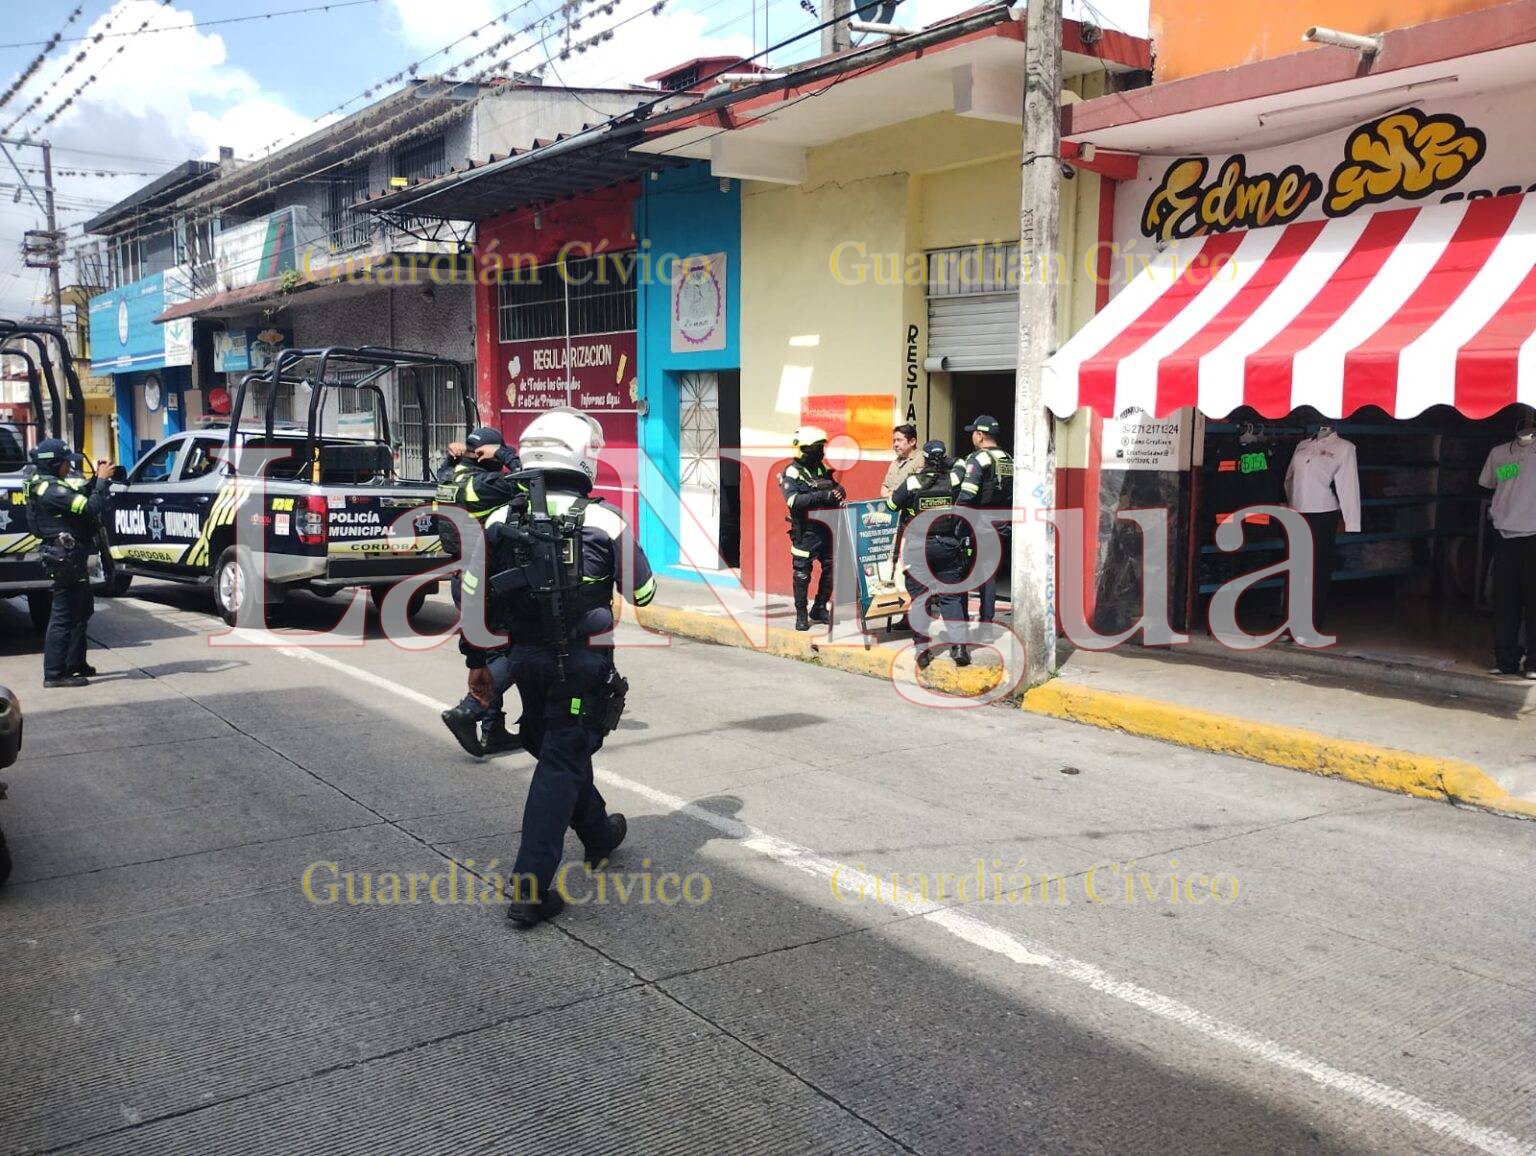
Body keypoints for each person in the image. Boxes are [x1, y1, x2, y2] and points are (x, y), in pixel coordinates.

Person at [475, 407, 656, 927]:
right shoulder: (604, 519)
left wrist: (477, 663)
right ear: (583, 460)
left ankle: (598, 831)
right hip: (580, 661)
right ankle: (530, 888)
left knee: (554, 741)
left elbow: (472, 596)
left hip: (523, 658)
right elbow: (643, 590)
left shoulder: (498, 521)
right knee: (560, 755)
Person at [436, 427, 525, 756]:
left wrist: (452, 455)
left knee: (489, 653)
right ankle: (468, 711)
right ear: (485, 456)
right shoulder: (483, 485)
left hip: (461, 578)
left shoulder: (447, 479)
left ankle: (493, 730)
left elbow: (445, 467)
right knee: (510, 653)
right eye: (494, 455)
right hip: (490, 580)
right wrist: (506, 455)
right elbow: (526, 479)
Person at [26, 440, 111, 688]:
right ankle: (54, 674)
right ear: (54, 464)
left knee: (82, 609)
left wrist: (96, 480)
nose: (68, 466)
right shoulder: (50, 490)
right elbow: (89, 508)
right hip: (64, 557)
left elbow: (79, 497)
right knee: (63, 616)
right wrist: (103, 484)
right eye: (65, 462)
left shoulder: (50, 484)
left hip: (71, 555)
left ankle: (75, 664)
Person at [888, 439, 971, 668]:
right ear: (943, 458)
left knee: (919, 599)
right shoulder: (953, 479)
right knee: (951, 596)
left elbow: (892, 506)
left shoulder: (913, 482)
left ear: (923, 459)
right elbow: (962, 463)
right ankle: (959, 647)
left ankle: (922, 650)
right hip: (947, 545)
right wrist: (947, 460)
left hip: (918, 547)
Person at [1479, 411, 1536, 678]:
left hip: (1533, 535)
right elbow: (1492, 482)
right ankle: (1506, 660)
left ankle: (1534, 662)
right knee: (1505, 602)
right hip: (1503, 535)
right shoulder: (1500, 453)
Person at [950, 414, 1013, 628]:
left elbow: (967, 494)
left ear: (979, 435)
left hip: (978, 524)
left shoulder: (978, 459)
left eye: (974, 434)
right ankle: (987, 623)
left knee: (963, 572)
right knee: (989, 573)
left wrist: (953, 520)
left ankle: (963, 621)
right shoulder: (1008, 458)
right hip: (1002, 524)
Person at [780, 426, 845, 631]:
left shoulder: (820, 468)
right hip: (805, 531)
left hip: (827, 527)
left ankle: (819, 608)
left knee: (832, 569)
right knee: (802, 573)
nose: (820, 451)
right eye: (815, 448)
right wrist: (822, 496)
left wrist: (838, 491)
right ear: (802, 449)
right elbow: (793, 500)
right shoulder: (792, 471)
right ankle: (801, 614)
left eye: (821, 447)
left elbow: (833, 486)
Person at [880, 423, 922, 499]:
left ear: (912, 441)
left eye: (899, 440)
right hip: (891, 506)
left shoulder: (921, 459)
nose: (895, 444)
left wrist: (894, 497)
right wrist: (887, 496)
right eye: (894, 441)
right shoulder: (895, 462)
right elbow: (885, 486)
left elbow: (915, 488)